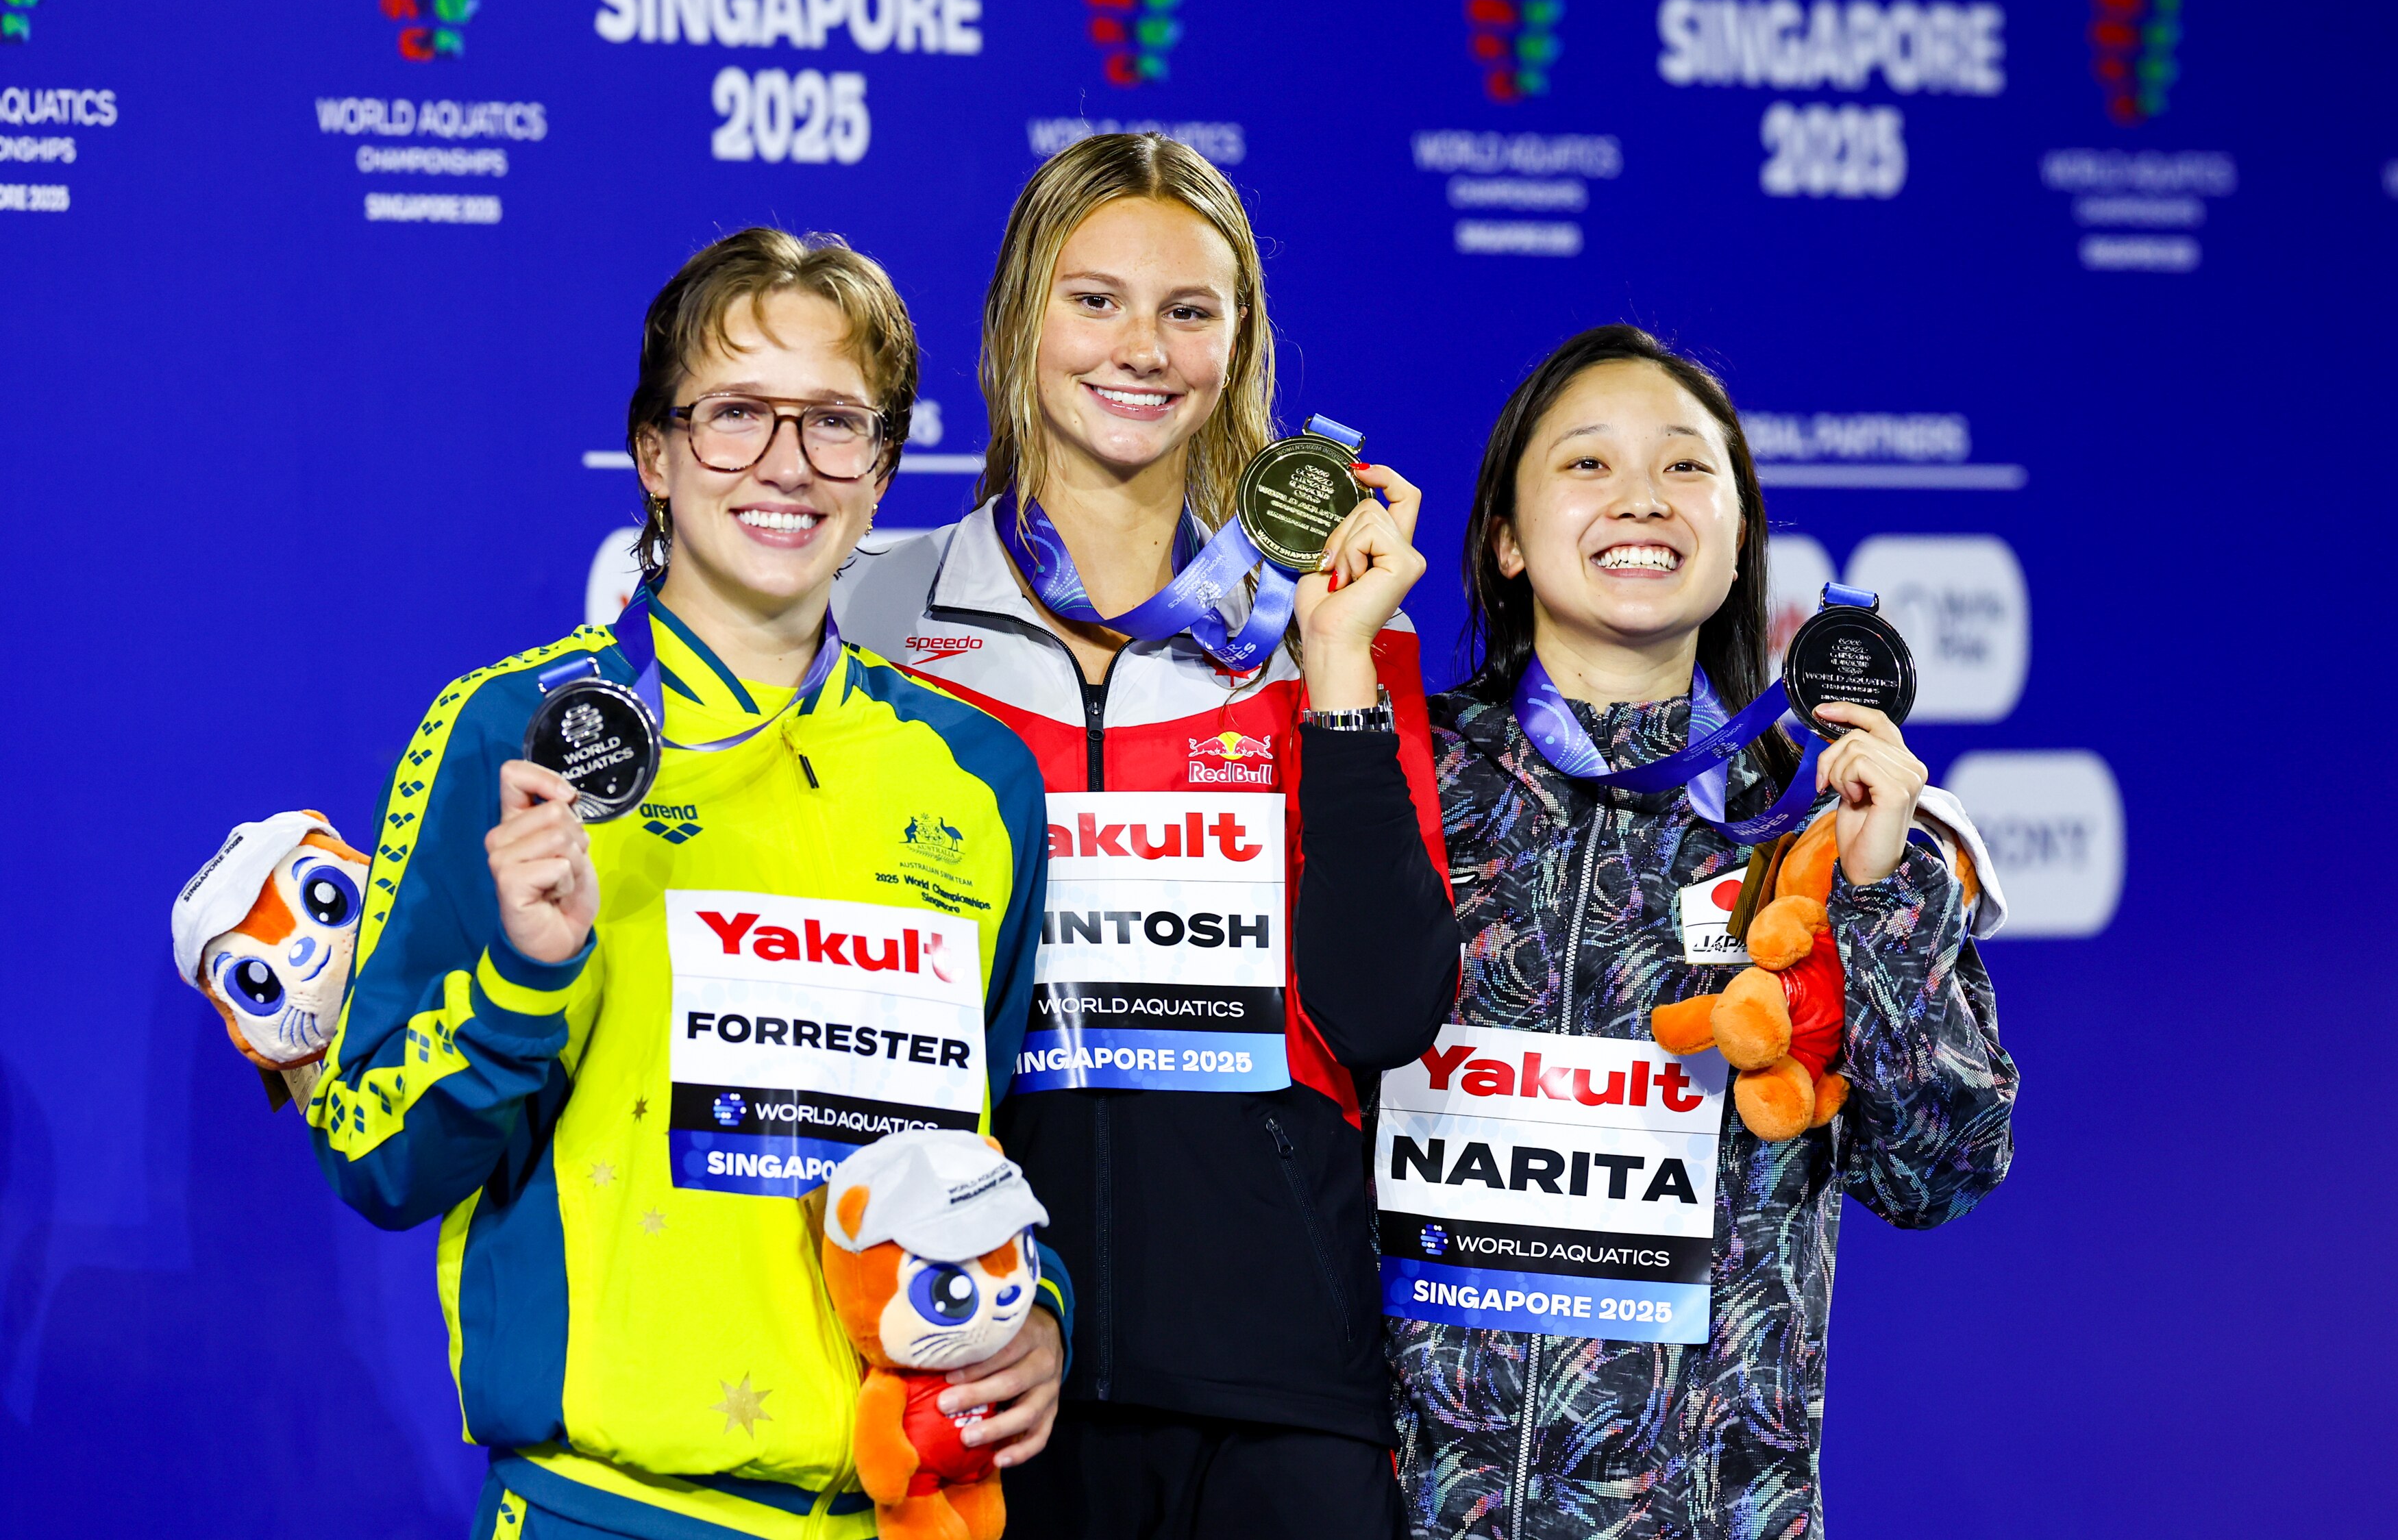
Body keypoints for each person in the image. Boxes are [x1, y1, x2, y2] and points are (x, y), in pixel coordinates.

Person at [307, 229, 1071, 1539]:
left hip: (900, 1509)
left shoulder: (976, 771)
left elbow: (996, 1138)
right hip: (606, 1510)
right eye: (734, 415)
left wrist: (1037, 1306)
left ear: (884, 468)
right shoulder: (515, 732)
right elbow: (369, 1148)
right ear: (653, 456)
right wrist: (519, 984)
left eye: (836, 420)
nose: (787, 462)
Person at [835, 133, 1461, 1538]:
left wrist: (1342, 672)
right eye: (1095, 298)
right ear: (1017, 324)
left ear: (1240, 349)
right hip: (977, 1361)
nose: (1143, 348)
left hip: (1278, 1393)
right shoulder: (874, 613)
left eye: (1192, 310)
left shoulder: (1328, 626)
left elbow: (1384, 1007)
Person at [1388, 324, 2017, 1538]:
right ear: (1506, 540)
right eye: (1587, 465)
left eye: (1687, 469)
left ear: (1738, 541)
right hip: (1404, 1507)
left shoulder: (1828, 819)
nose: (1642, 498)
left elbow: (1939, 1171)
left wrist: (1881, 894)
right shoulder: (1399, 778)